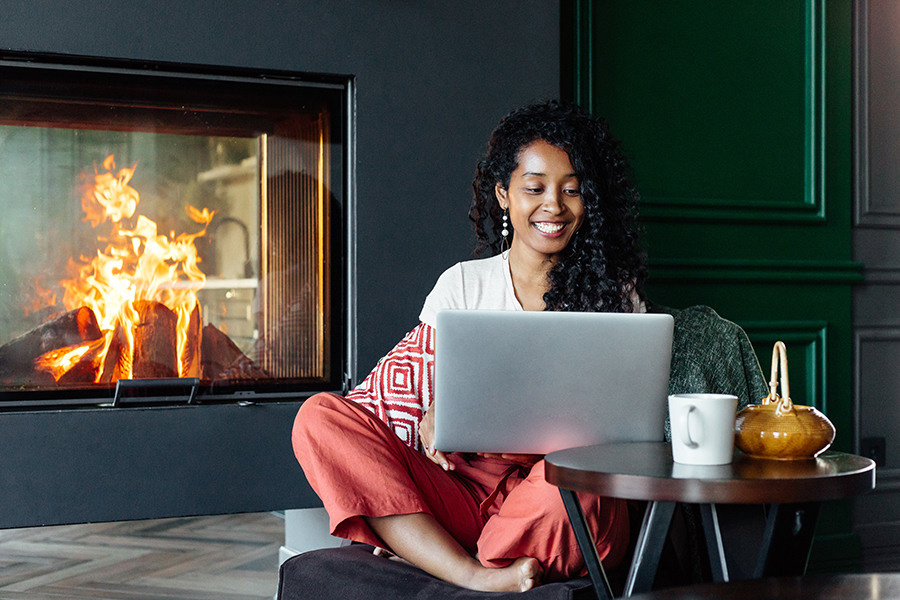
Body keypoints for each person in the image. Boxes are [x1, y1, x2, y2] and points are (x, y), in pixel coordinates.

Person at [292, 100, 648, 593]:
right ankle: (470, 573)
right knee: (318, 417)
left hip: (550, 492)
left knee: (579, 483)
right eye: (535, 188)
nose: (554, 206)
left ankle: (437, 552)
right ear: (504, 195)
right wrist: (436, 414)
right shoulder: (463, 284)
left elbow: (621, 424)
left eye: (572, 190)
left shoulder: (615, 296)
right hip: (461, 486)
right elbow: (430, 399)